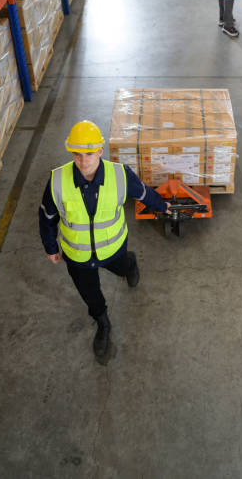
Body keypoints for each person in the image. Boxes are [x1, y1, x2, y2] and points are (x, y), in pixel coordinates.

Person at [39, 120, 170, 361]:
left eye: (89, 153)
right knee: (90, 293)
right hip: (78, 257)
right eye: (77, 154)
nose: (83, 160)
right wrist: (50, 246)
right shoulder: (57, 180)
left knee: (121, 267)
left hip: (113, 249)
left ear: (100, 151)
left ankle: (129, 264)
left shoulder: (120, 175)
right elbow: (47, 214)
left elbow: (143, 193)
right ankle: (103, 323)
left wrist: (163, 206)